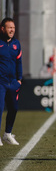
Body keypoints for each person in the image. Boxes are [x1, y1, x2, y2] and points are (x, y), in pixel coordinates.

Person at [0, 17, 23, 146]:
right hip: (0, 82)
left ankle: (7, 134)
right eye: (9, 28)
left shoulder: (16, 44)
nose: (12, 30)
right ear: (3, 29)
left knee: (14, 108)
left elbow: (19, 61)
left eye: (13, 28)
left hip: (13, 82)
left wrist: (19, 79)